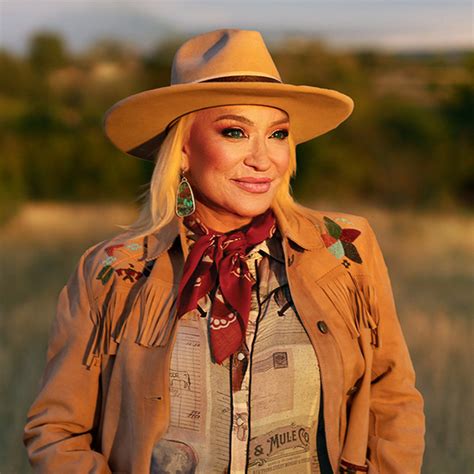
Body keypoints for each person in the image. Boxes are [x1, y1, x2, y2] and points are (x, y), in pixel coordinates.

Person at [23, 28, 425, 473]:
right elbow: (57, 430)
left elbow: (392, 401)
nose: (263, 158)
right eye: (235, 132)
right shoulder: (116, 271)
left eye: (277, 134)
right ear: (182, 151)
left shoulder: (342, 248)